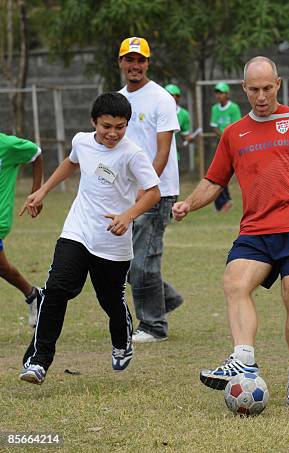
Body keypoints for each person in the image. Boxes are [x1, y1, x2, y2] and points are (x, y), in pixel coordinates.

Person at [172, 56, 289, 406]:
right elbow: (215, 180)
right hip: (256, 228)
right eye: (254, 89)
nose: (261, 96)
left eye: (267, 88)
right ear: (244, 89)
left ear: (278, 84)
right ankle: (244, 360)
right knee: (234, 282)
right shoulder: (233, 133)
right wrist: (188, 204)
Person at [18, 92, 161, 385]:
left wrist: (128, 216)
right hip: (77, 231)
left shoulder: (132, 153)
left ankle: (122, 341)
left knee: (110, 300)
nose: (112, 133)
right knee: (56, 289)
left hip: (113, 242)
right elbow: (71, 163)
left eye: (120, 127)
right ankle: (38, 361)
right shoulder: (82, 141)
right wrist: (43, 191)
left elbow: (153, 192)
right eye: (106, 126)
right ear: (94, 121)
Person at [117, 37, 183, 343]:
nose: (135, 65)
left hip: (157, 192)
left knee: (144, 260)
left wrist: (147, 189)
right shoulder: (117, 100)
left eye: (140, 60)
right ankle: (164, 299)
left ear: (148, 63)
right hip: (128, 194)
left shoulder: (161, 99)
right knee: (129, 262)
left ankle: (154, 325)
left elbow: (162, 151)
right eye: (129, 60)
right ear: (120, 63)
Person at [0, 132, 44, 327]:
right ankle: (33, 294)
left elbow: (36, 154)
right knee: (3, 268)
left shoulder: (7, 145)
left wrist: (36, 192)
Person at [209, 82, 242, 212]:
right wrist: (224, 137)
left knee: (236, 172)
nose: (218, 95)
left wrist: (228, 138)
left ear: (227, 94)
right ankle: (223, 202)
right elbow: (214, 127)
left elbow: (236, 126)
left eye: (221, 92)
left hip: (233, 144)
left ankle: (226, 201)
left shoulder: (234, 108)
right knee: (219, 174)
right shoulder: (215, 109)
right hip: (221, 145)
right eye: (217, 92)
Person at [164, 83, 195, 163]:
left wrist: (189, 138)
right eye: (170, 94)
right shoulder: (156, 110)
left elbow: (184, 136)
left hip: (173, 153)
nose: (173, 97)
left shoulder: (184, 114)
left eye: (176, 95)